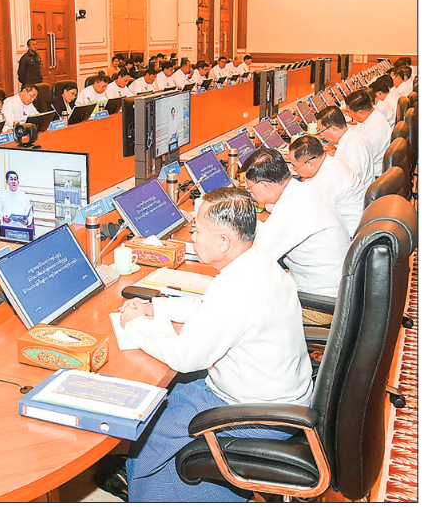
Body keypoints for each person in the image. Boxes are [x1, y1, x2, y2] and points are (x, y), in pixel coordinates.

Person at [118, 186, 312, 502]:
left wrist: (136, 324)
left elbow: (182, 357)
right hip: (282, 399)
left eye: (197, 229)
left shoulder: (237, 287)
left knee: (146, 433)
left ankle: (150, 491)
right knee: (174, 392)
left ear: (223, 241)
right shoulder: (258, 265)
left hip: (255, 415)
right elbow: (213, 311)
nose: (191, 236)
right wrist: (157, 308)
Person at [242, 148, 350, 296]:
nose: (250, 193)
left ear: (266, 185)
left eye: (249, 188)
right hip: (334, 284)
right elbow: (277, 230)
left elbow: (258, 259)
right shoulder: (305, 188)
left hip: (318, 300)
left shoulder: (291, 206)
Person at [287, 135, 364, 238]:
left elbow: (304, 212)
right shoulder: (330, 163)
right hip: (346, 226)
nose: (294, 169)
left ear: (310, 164)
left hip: (349, 235)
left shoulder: (329, 177)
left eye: (295, 166)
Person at [317, 105, 376, 189]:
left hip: (357, 195)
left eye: (321, 131)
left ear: (334, 129)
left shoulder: (352, 146)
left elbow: (348, 182)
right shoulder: (354, 136)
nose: (321, 136)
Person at [343, 89, 391, 177]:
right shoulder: (370, 117)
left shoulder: (376, 128)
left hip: (373, 174)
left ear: (360, 112)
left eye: (349, 112)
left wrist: (338, 151)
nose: (349, 115)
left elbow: (361, 159)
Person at [0, 171, 33, 238]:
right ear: (7, 182)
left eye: (15, 179)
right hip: (7, 229)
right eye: (11, 179)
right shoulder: (2, 195)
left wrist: (27, 221)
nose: (13, 181)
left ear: (18, 182)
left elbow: (30, 215)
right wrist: (3, 217)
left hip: (21, 230)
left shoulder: (24, 196)